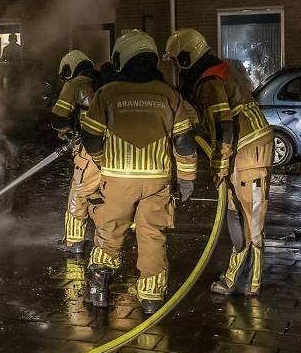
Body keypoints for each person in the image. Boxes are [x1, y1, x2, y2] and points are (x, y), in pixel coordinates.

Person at [79, 30, 198, 314]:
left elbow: (91, 136)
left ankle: (98, 290)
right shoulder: (169, 95)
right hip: (157, 180)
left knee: (110, 230)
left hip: (118, 178)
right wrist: (187, 179)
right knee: (152, 235)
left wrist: (101, 160)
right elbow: (184, 141)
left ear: (122, 58)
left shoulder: (107, 94)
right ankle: (151, 298)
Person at [164, 28, 274, 296]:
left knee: (249, 218)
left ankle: (247, 281)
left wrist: (219, 164)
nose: (177, 69)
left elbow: (223, 125)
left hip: (248, 149)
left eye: (177, 62)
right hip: (246, 147)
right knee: (236, 213)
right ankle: (238, 275)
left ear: (186, 58)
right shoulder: (221, 70)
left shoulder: (209, 81)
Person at [51, 49, 99, 255]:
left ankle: (73, 242)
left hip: (89, 151)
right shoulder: (104, 83)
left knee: (78, 194)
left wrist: (65, 130)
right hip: (115, 150)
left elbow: (59, 115)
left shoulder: (75, 84)